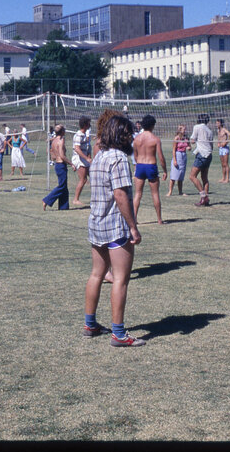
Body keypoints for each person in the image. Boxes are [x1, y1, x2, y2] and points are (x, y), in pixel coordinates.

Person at [83, 113, 145, 347]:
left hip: (96, 223)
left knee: (97, 274)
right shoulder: (119, 158)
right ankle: (118, 334)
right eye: (129, 133)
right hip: (115, 226)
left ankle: (90, 323)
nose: (132, 138)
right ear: (121, 135)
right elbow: (120, 195)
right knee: (120, 279)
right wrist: (133, 227)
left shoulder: (99, 156)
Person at [132, 115, 168, 224]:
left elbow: (135, 155)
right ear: (152, 125)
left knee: (138, 194)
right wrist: (165, 170)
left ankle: (134, 219)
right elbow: (161, 157)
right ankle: (159, 219)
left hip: (140, 165)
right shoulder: (155, 139)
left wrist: (139, 164)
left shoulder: (136, 139)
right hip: (151, 166)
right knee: (155, 194)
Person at [42, 125, 70, 211]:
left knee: (64, 187)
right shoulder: (60, 141)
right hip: (61, 165)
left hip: (57, 165)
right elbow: (62, 156)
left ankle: (63, 207)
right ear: (62, 132)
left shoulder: (54, 141)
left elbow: (53, 156)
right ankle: (46, 200)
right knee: (62, 186)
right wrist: (71, 163)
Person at [189, 113, 214, 206]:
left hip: (202, 155)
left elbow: (192, 140)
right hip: (209, 154)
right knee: (204, 178)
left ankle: (204, 196)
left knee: (192, 176)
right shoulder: (210, 131)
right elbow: (211, 146)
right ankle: (205, 201)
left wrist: (188, 139)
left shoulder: (197, 127)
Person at [71, 116, 92, 206]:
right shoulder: (79, 135)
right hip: (79, 159)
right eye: (88, 123)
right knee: (83, 179)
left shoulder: (84, 135)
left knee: (92, 177)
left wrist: (89, 156)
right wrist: (86, 158)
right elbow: (77, 149)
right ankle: (75, 199)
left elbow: (87, 148)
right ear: (85, 125)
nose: (90, 125)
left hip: (84, 158)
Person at [168, 125, 189, 197]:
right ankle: (170, 191)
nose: (185, 131)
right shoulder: (176, 138)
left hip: (184, 156)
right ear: (180, 130)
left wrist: (189, 147)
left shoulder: (186, 138)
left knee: (181, 176)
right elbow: (173, 150)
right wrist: (175, 160)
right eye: (184, 129)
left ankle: (180, 191)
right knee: (174, 175)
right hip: (178, 155)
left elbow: (189, 146)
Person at [216, 118, 230, 183]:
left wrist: (226, 142)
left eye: (217, 123)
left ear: (221, 123)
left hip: (225, 148)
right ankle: (223, 178)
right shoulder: (218, 130)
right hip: (221, 148)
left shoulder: (224, 130)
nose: (216, 124)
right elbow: (219, 138)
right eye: (216, 123)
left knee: (226, 164)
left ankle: (227, 179)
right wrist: (218, 143)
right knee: (222, 164)